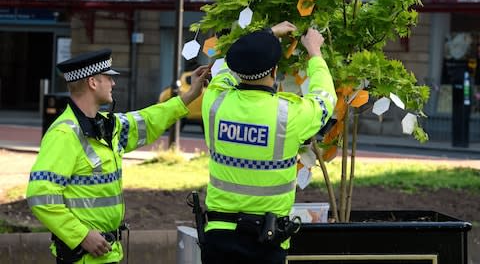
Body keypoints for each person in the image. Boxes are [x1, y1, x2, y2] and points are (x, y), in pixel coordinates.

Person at [26, 48, 208, 264]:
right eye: (108, 78)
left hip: (106, 253)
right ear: (93, 82)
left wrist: (189, 96)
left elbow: (149, 120)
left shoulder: (107, 126)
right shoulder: (64, 134)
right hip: (82, 258)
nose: (113, 83)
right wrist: (81, 235)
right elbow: (40, 195)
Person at [200, 21, 337, 264]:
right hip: (266, 239)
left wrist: (266, 35)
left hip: (218, 237)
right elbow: (325, 98)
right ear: (274, 71)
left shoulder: (214, 102)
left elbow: (226, 70)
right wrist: (315, 52)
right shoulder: (290, 115)